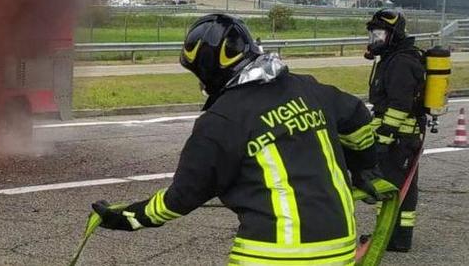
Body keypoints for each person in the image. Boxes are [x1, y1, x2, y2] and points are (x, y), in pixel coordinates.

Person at [91, 14, 393, 265]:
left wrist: (129, 217)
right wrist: (364, 167)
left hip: (272, 255)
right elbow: (358, 120)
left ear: (207, 71)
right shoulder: (308, 88)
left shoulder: (220, 122)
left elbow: (182, 196)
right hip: (339, 246)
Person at [364, 9, 425, 252]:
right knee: (399, 187)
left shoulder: (401, 62)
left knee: (394, 188)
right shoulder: (392, 58)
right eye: (373, 34)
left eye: (379, 34)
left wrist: (385, 137)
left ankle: (393, 238)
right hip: (400, 136)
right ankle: (394, 236)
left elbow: (400, 106)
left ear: (394, 35)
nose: (375, 40)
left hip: (400, 138)